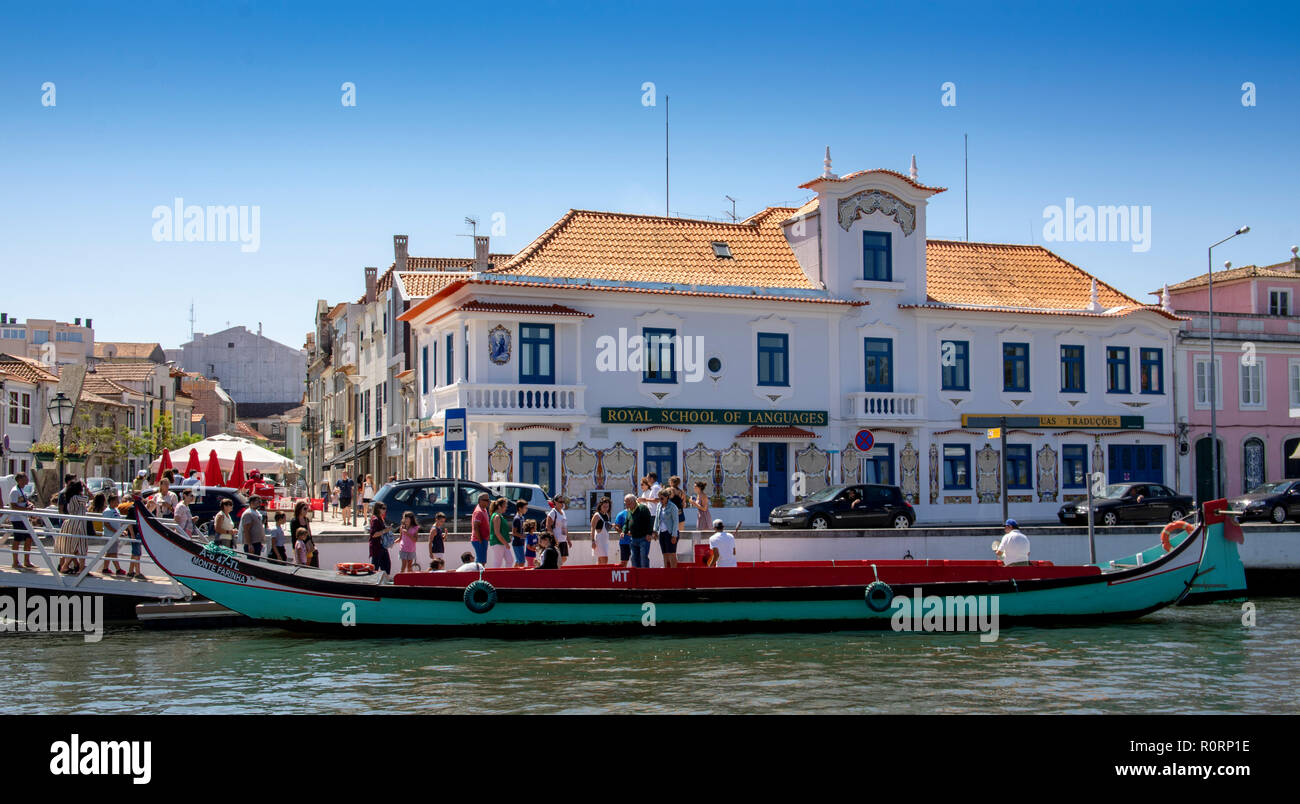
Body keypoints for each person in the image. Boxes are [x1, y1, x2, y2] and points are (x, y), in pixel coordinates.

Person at [55, 480, 90, 575]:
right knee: (78, 547)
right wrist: (87, 489)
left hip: (76, 523)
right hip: (78, 524)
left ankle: (80, 568)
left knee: (79, 547)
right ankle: (67, 566)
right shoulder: (76, 498)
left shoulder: (72, 498)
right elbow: (89, 498)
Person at [7, 471, 37, 569]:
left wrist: (29, 504)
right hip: (17, 519)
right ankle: (15, 562)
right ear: (20, 480)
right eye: (25, 478)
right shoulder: (15, 491)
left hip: (24, 518)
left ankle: (27, 561)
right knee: (17, 539)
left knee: (29, 538)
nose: (27, 480)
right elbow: (13, 505)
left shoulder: (22, 490)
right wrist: (26, 509)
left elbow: (24, 501)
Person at [624, 493, 654, 569]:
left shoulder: (643, 508)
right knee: (634, 559)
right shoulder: (629, 511)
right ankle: (636, 578)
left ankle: (645, 577)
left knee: (643, 558)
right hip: (633, 538)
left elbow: (649, 522)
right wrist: (624, 531)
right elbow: (626, 523)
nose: (626, 505)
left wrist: (649, 533)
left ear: (634, 501)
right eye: (625, 503)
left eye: (628, 503)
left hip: (643, 538)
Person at [100, 492, 127, 576]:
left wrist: (122, 530)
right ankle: (118, 569)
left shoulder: (116, 510)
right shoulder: (107, 511)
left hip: (115, 534)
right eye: (116, 501)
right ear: (111, 501)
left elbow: (119, 521)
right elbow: (106, 524)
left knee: (109, 552)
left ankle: (105, 568)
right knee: (113, 553)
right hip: (110, 535)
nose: (118, 502)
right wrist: (116, 531)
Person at [654, 488, 680, 568]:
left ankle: (674, 573)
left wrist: (674, 535)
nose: (660, 500)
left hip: (670, 532)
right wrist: (655, 530)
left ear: (667, 497)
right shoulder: (659, 506)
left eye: (662, 498)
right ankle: (666, 571)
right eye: (659, 498)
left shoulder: (673, 507)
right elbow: (657, 519)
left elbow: (676, 521)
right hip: (662, 532)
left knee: (672, 553)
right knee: (664, 553)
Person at [367, 501, 392, 574]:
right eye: (383, 508)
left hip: (382, 546)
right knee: (375, 566)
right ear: (378, 509)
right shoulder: (375, 520)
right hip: (377, 547)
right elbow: (374, 534)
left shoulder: (380, 518)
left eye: (385, 508)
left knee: (386, 565)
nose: (385, 510)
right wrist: (385, 530)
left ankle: (385, 580)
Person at [545, 494, 569, 565]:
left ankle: (556, 567)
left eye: (563, 501)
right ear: (555, 502)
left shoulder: (563, 512)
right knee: (557, 557)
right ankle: (555, 569)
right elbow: (548, 526)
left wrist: (568, 539)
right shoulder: (553, 513)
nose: (562, 503)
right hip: (557, 540)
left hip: (563, 539)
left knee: (564, 557)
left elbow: (564, 526)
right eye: (560, 501)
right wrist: (554, 538)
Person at [289, 501, 315, 567]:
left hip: (308, 545)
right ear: (299, 509)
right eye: (305, 509)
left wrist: (312, 543)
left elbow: (309, 532)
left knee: (308, 563)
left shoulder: (306, 519)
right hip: (300, 546)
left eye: (307, 509)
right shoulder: (294, 521)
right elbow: (294, 535)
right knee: (300, 563)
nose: (306, 511)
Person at [489, 497, 512, 569]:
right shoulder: (497, 517)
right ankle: (495, 578)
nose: (506, 508)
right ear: (499, 506)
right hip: (498, 543)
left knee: (510, 560)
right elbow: (497, 533)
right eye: (505, 506)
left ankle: (507, 576)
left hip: (501, 543)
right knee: (498, 562)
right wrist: (506, 543)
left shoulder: (499, 516)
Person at [590, 497, 613, 565]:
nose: (606, 508)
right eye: (604, 506)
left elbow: (606, 527)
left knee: (600, 561)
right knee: (604, 559)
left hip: (605, 540)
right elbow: (592, 528)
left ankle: (598, 574)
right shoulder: (597, 515)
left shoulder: (607, 515)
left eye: (607, 507)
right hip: (599, 540)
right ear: (600, 506)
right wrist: (593, 541)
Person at [470, 492, 491, 566]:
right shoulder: (479, 512)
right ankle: (478, 576)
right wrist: (480, 540)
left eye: (488, 500)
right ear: (480, 501)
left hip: (482, 539)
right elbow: (476, 527)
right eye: (486, 500)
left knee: (481, 561)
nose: (488, 502)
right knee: (481, 562)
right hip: (479, 539)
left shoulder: (484, 510)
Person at [510, 499, 528, 568]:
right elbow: (514, 532)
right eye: (525, 508)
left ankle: (513, 573)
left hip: (521, 542)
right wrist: (523, 536)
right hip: (517, 543)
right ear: (520, 508)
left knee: (518, 560)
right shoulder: (517, 518)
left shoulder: (522, 517)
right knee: (522, 562)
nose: (526, 509)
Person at [613, 501, 631, 567]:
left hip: (636, 542)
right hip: (624, 542)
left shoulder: (638, 513)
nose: (628, 504)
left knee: (637, 561)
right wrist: (624, 532)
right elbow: (616, 526)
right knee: (624, 562)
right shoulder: (621, 514)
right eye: (626, 502)